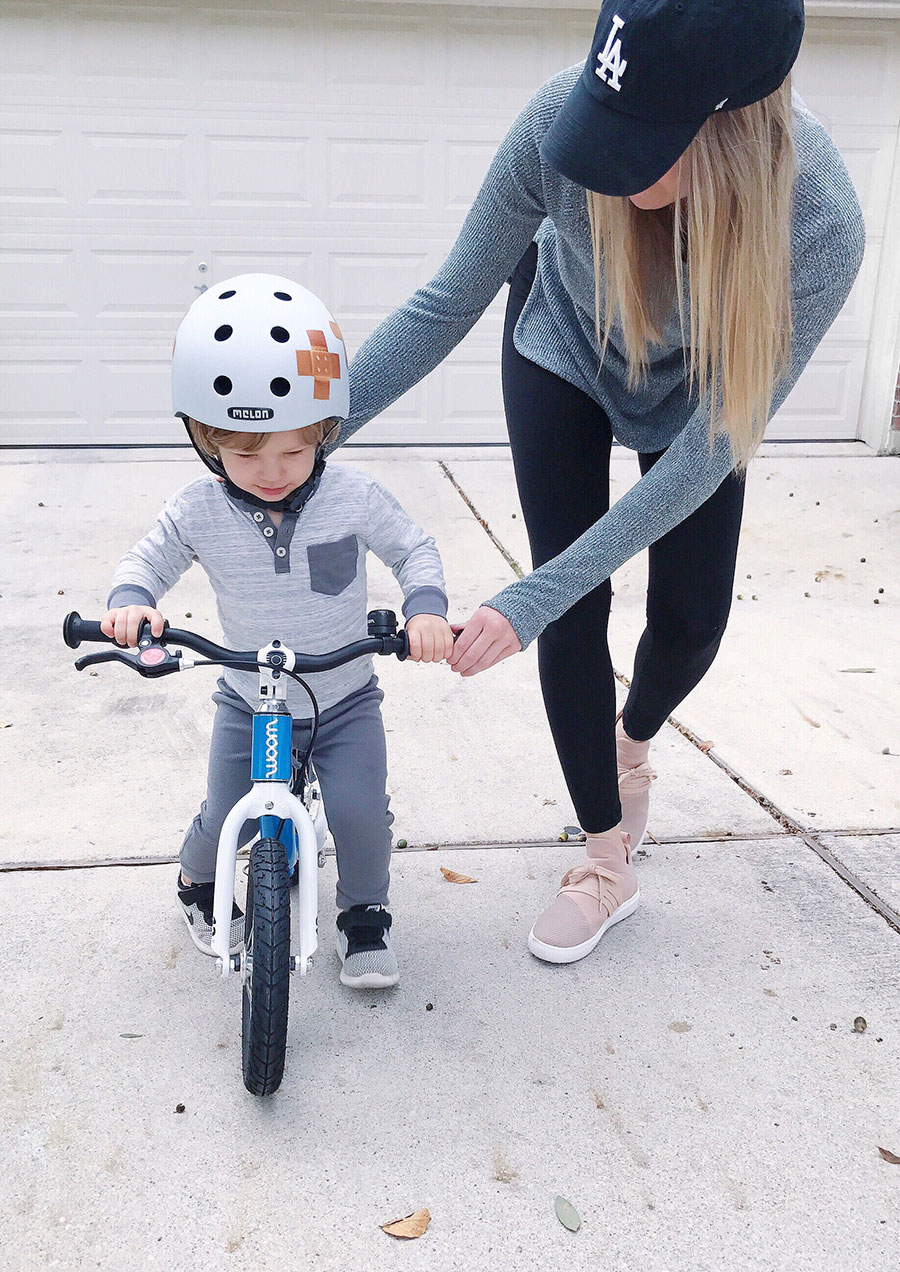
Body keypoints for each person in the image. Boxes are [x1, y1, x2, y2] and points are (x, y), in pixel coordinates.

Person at [334, 0, 865, 963]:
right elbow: (448, 299)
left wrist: (527, 600)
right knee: (573, 614)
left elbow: (708, 453)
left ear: (729, 131)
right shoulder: (554, 128)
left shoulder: (820, 227)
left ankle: (635, 740)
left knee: (693, 622)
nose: (600, 161)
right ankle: (604, 858)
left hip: (701, 400)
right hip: (564, 352)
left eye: (642, 140)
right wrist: (306, 436)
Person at [101, 274, 454, 988]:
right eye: (245, 455)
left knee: (360, 815)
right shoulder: (198, 508)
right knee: (221, 814)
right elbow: (149, 560)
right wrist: (132, 602)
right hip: (247, 701)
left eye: (291, 454)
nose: (271, 473)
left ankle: (363, 918)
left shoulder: (353, 497)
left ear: (323, 433)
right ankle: (197, 883)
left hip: (344, 700)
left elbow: (415, 549)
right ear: (205, 441)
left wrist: (425, 609)